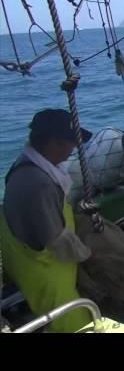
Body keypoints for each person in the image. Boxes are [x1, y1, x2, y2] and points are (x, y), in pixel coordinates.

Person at [0, 109, 94, 332]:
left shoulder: (24, 163)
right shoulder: (39, 183)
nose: (73, 150)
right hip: (44, 269)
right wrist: (88, 256)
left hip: (20, 254)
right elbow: (55, 241)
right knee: (72, 321)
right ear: (54, 143)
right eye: (70, 143)